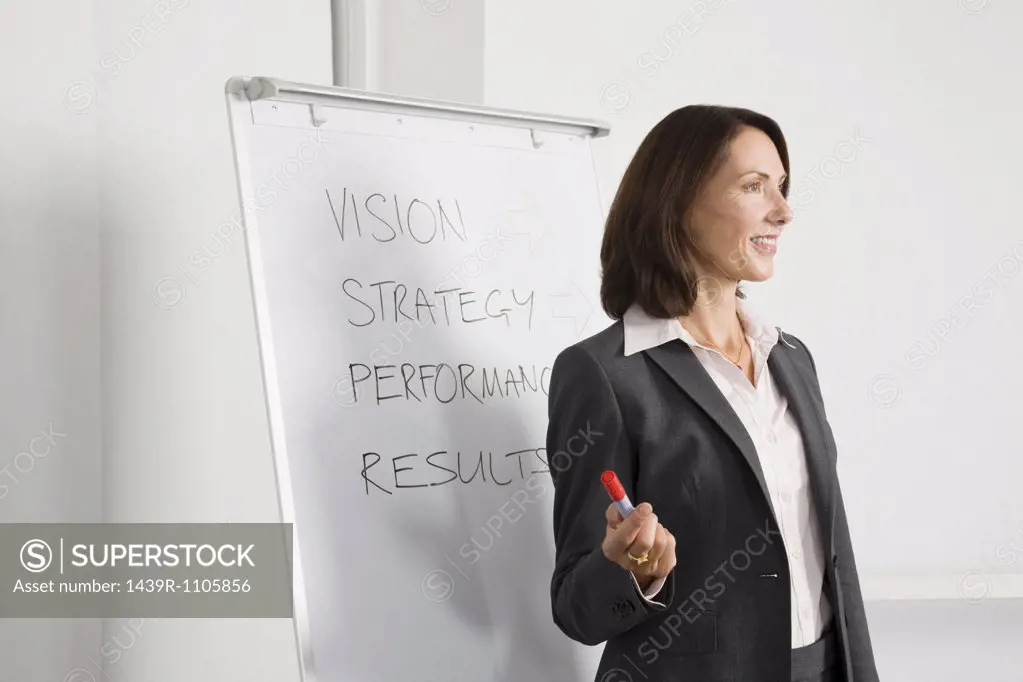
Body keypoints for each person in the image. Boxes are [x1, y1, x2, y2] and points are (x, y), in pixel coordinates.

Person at [545, 105, 879, 682]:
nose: (783, 211)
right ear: (677, 202)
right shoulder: (603, 374)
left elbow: (832, 558)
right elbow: (577, 608)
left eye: (781, 187)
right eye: (754, 187)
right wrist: (633, 570)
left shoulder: (790, 358)